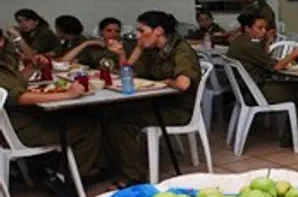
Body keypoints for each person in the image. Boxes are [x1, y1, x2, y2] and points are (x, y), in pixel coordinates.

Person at [106, 11, 200, 185]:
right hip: (156, 102)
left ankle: (133, 177)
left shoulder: (180, 50)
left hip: (177, 109)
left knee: (122, 121)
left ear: (158, 31)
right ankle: (112, 166)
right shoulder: (153, 50)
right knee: (109, 112)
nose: (138, 35)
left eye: (142, 31)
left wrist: (167, 82)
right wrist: (133, 50)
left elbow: (183, 84)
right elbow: (128, 72)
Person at [0, 29, 104, 179]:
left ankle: (57, 168)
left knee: (78, 115)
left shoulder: (5, 63)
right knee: (90, 127)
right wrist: (67, 95)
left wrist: (33, 67)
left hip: (15, 124)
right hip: (22, 130)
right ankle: (65, 178)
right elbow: (20, 97)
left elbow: (16, 83)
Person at [226, 13, 298, 145]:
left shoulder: (240, 42)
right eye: (259, 28)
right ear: (247, 28)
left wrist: (267, 41)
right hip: (256, 91)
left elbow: (263, 59)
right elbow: (276, 66)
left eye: (265, 28)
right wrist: (293, 54)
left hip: (245, 89)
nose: (263, 31)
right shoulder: (249, 46)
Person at [61, 17, 131, 69]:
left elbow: (126, 70)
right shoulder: (94, 47)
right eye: (109, 30)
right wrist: (86, 43)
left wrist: (121, 53)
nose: (113, 34)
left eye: (117, 31)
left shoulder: (125, 46)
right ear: (101, 32)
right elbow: (64, 61)